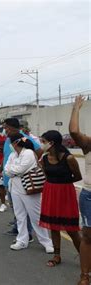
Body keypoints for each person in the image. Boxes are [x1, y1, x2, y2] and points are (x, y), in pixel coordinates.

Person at [4, 133, 53, 253]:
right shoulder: (13, 154)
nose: (9, 144)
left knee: (35, 216)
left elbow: (19, 170)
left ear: (16, 143)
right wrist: (12, 171)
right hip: (15, 188)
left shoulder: (29, 153)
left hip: (29, 188)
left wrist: (12, 170)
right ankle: (22, 240)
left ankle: (46, 242)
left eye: (11, 142)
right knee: (20, 216)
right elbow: (7, 170)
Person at [39, 130, 82, 267]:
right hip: (50, 192)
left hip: (65, 193)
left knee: (71, 229)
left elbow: (78, 176)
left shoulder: (68, 158)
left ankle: (85, 257)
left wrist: (63, 182)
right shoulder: (45, 159)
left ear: (51, 143)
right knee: (54, 226)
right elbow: (46, 176)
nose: (41, 144)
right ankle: (57, 255)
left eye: (43, 141)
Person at [0, 118, 38, 238]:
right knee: (15, 207)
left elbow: (39, 149)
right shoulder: (8, 139)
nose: (4, 130)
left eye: (5, 127)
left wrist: (30, 164)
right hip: (10, 179)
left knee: (25, 209)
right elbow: (6, 155)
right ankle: (18, 228)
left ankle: (28, 233)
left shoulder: (23, 137)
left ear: (11, 127)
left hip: (22, 181)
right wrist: (1, 169)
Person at [70, 95, 91, 285]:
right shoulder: (89, 143)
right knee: (88, 236)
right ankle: (85, 275)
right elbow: (74, 131)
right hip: (89, 195)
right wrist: (76, 108)